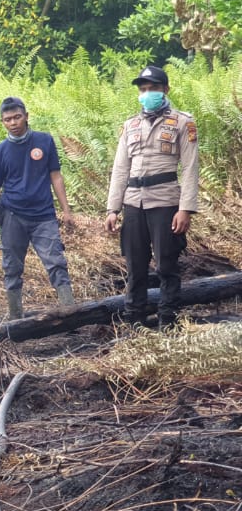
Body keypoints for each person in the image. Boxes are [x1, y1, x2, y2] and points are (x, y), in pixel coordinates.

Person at [105, 65, 199, 328]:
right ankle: (134, 325)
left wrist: (186, 209)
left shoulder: (183, 122)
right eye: (143, 89)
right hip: (133, 203)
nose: (147, 94)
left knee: (166, 267)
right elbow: (120, 169)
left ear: (165, 90)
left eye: (153, 89)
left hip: (165, 202)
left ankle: (168, 324)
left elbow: (191, 167)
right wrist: (113, 209)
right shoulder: (130, 125)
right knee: (135, 269)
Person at [0, 97, 76, 318]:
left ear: (26, 116)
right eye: (7, 119)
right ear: (2, 122)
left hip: (44, 216)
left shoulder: (44, 141)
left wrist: (66, 211)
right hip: (12, 216)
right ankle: (16, 318)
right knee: (12, 268)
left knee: (56, 263)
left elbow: (56, 176)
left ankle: (71, 313)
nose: (13, 123)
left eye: (17, 117)